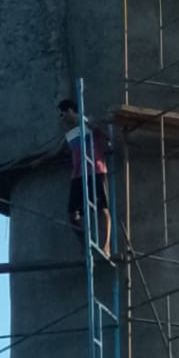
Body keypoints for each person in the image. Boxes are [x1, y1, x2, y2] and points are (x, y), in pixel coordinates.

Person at [58, 97, 111, 256]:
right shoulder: (70, 134)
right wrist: (38, 161)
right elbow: (59, 151)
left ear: (69, 111)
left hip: (96, 170)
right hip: (77, 176)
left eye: (62, 115)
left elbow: (109, 137)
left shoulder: (90, 124)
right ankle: (85, 245)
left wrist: (97, 128)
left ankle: (106, 245)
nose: (61, 119)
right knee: (72, 215)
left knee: (102, 209)